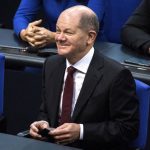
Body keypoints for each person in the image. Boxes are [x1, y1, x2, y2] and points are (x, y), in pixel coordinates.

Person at [29, 5, 139, 150]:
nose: (59, 38)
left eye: (68, 32)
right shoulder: (51, 64)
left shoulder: (116, 75)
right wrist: (41, 124)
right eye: (57, 31)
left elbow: (127, 128)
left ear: (90, 37)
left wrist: (81, 132)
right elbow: (46, 111)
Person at [13, 0, 105, 48]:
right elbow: (22, 16)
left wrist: (55, 37)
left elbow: (90, 24)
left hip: (87, 48)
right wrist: (25, 33)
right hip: (52, 48)